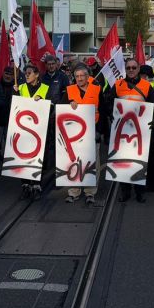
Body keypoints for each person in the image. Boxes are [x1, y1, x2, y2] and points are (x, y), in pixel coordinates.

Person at [103, 57, 154, 203]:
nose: (131, 70)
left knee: (138, 161)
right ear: (125, 69)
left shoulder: (147, 86)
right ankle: (125, 191)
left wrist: (152, 120)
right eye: (128, 68)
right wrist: (113, 114)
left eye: (134, 68)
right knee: (123, 160)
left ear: (138, 69)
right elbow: (107, 101)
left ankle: (140, 192)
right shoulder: (117, 85)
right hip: (122, 130)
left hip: (140, 130)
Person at [61, 63, 104, 205]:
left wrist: (100, 131)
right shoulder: (69, 90)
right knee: (74, 162)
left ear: (87, 77)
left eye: (82, 76)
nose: (79, 79)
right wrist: (68, 104)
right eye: (77, 76)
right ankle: (73, 192)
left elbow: (103, 111)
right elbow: (61, 110)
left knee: (92, 163)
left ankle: (90, 192)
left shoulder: (97, 90)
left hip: (93, 131)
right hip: (74, 134)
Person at [16, 63, 52, 200]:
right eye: (25, 73)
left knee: (38, 156)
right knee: (24, 156)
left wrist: (42, 101)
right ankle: (25, 184)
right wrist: (14, 92)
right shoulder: (20, 88)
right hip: (23, 129)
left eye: (29, 72)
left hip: (39, 129)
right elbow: (14, 106)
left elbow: (52, 105)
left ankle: (36, 184)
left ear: (36, 74)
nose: (26, 75)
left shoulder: (45, 88)